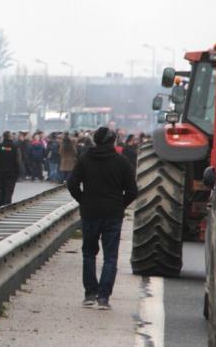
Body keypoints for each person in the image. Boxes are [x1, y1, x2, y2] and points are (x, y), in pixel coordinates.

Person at [67, 127, 138, 310]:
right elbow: (132, 191)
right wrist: (120, 204)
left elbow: (72, 183)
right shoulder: (122, 162)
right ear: (112, 141)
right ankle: (104, 298)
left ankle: (90, 293)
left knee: (89, 253)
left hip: (90, 213)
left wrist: (83, 200)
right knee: (110, 256)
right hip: (113, 214)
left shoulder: (85, 159)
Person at [0, 131, 21, 207]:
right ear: (10, 137)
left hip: (0, 173)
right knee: (9, 191)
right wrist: (18, 172)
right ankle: (7, 206)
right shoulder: (15, 147)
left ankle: (0, 206)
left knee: (2, 190)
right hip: (11, 174)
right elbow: (17, 161)